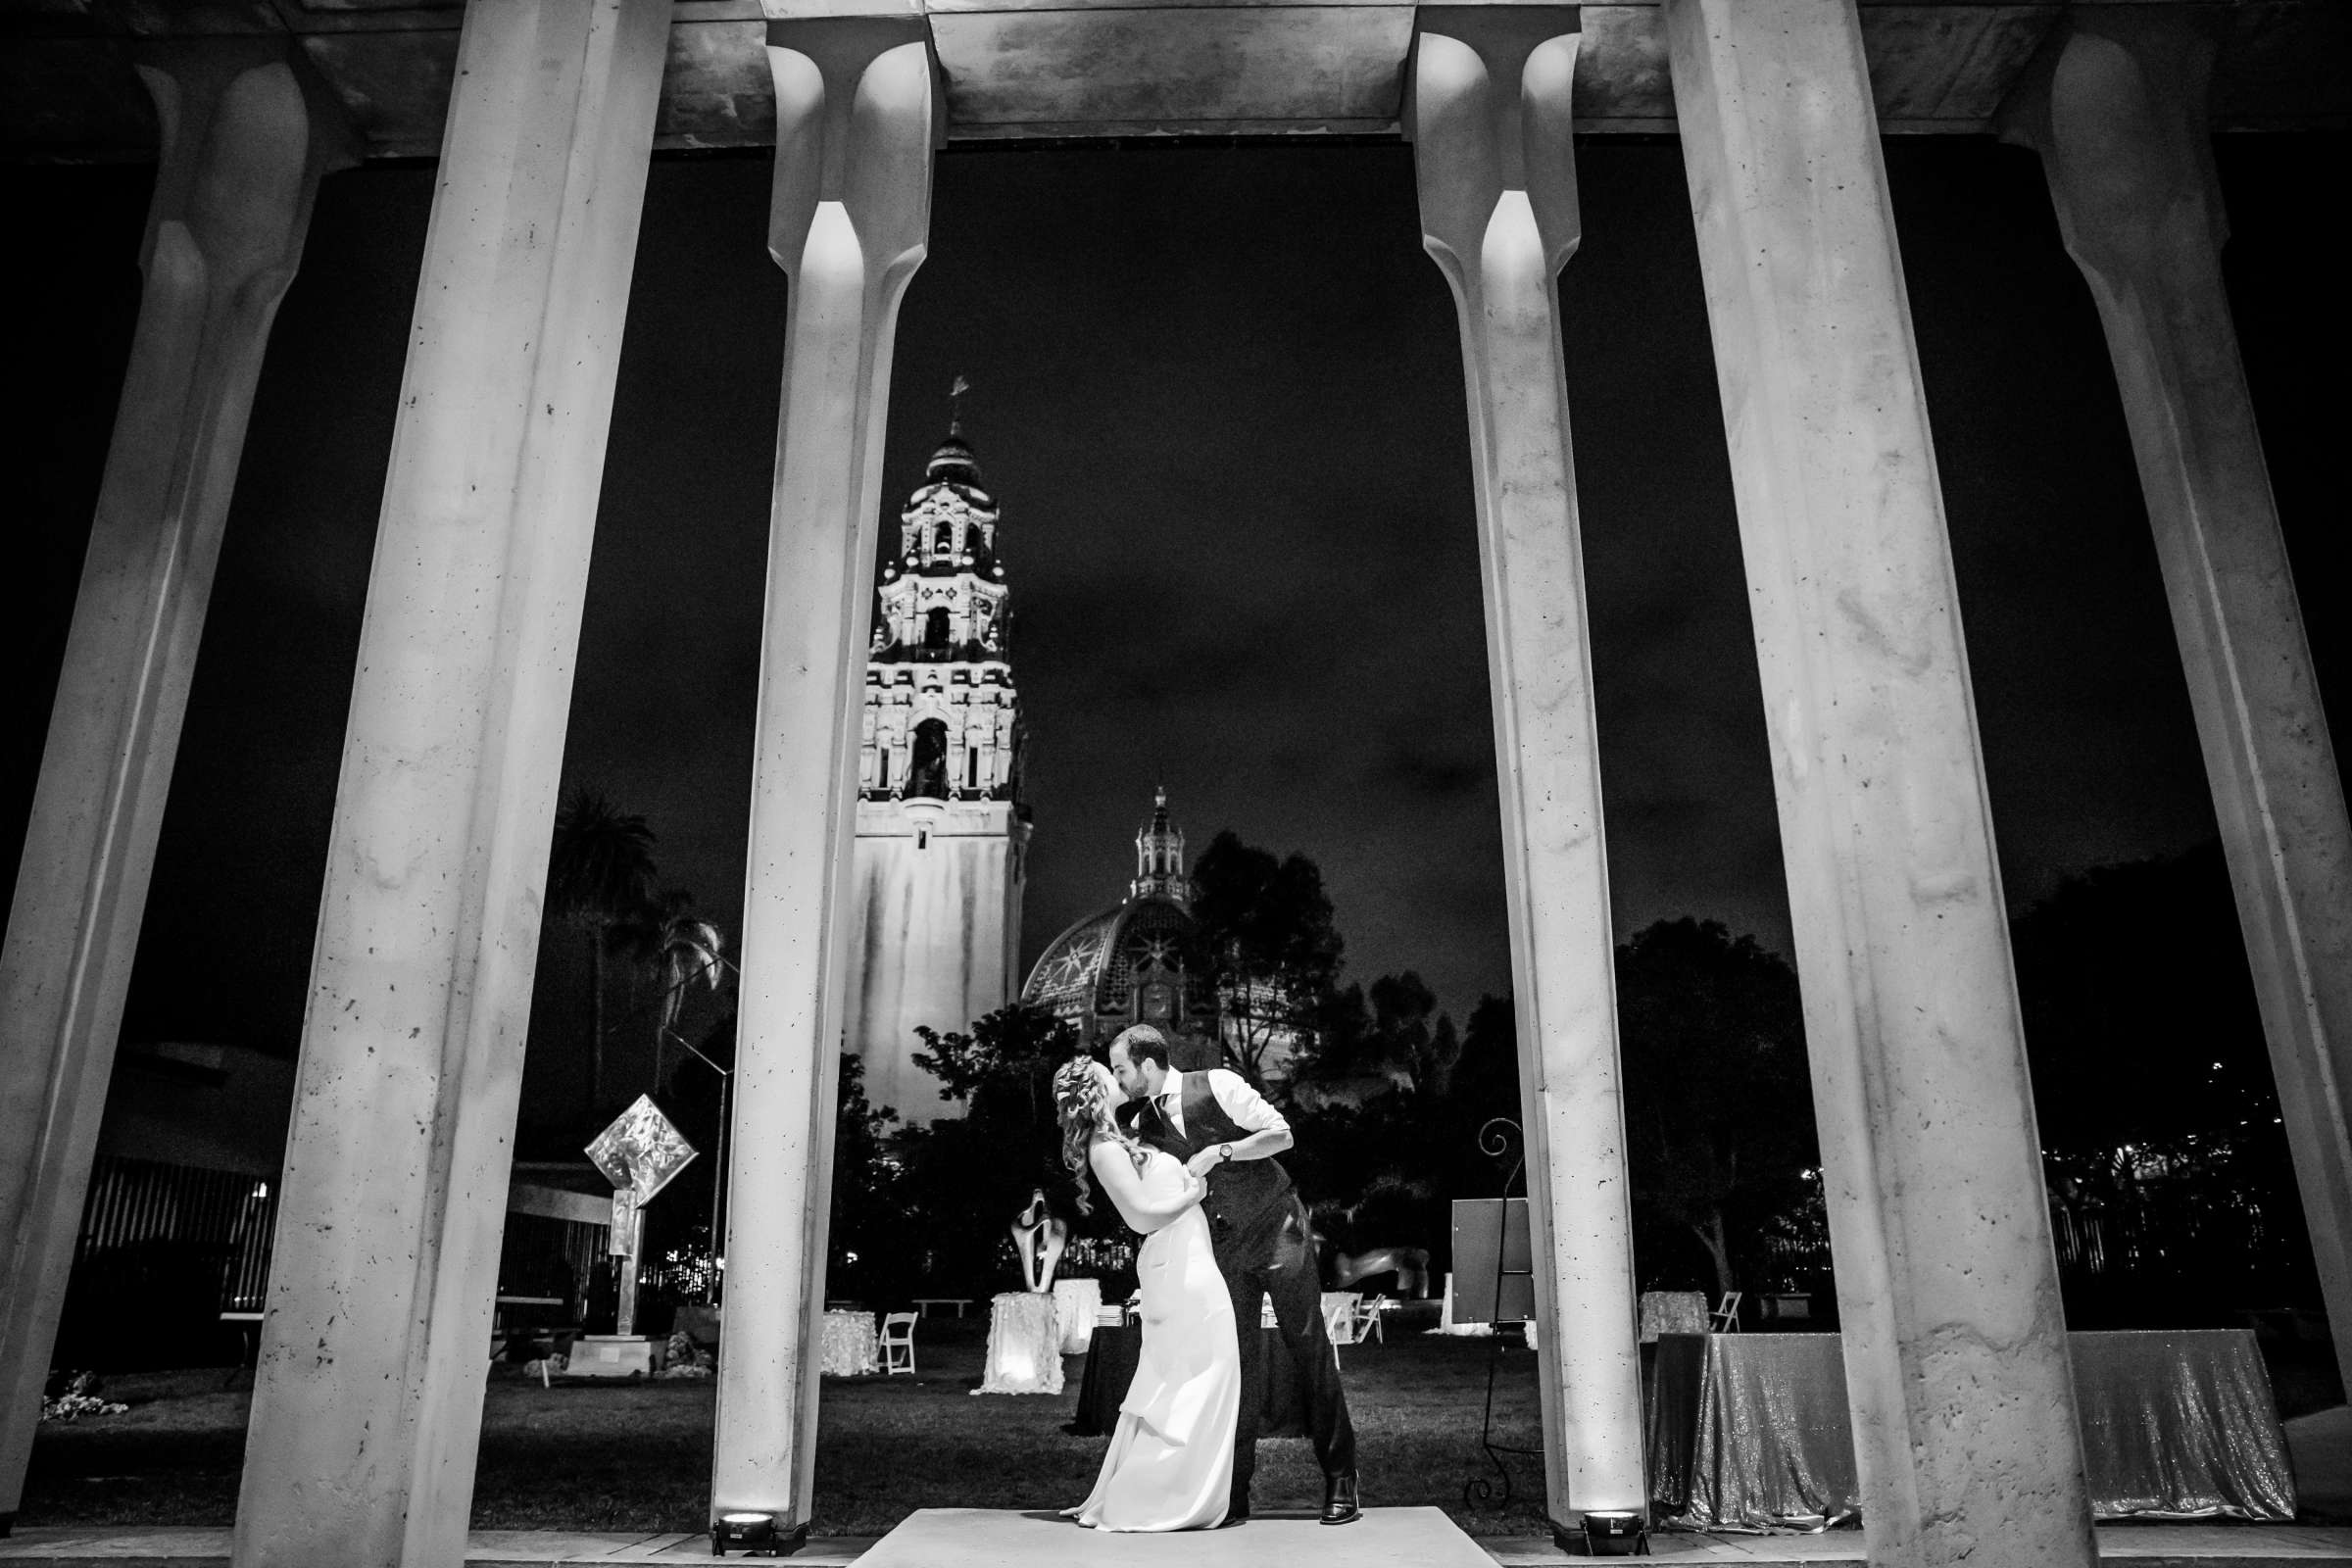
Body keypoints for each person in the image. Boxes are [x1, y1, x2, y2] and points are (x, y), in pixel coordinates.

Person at [1108, 1024, 1361, 1527]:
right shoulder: (1139, 1122)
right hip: (1222, 1248)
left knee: (1307, 1344)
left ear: (1148, 1065)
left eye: (1121, 1068)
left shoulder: (1216, 1083)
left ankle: (1341, 1479)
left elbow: (1282, 1134)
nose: (1119, 1078)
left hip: (1277, 1226)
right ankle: (1234, 1491)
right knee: (1235, 1364)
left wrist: (1223, 1151)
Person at [1053, 1054, 1240, 1531]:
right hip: (1176, 1265)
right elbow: (1139, 1218)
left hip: (1189, 1257)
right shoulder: (1103, 1148)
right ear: (1095, 1092)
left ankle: (1174, 1490)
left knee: (1195, 1374)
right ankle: (1157, 1496)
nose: (1119, 1077)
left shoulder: (1125, 1137)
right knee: (1193, 1376)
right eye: (1108, 1074)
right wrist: (1192, 1194)